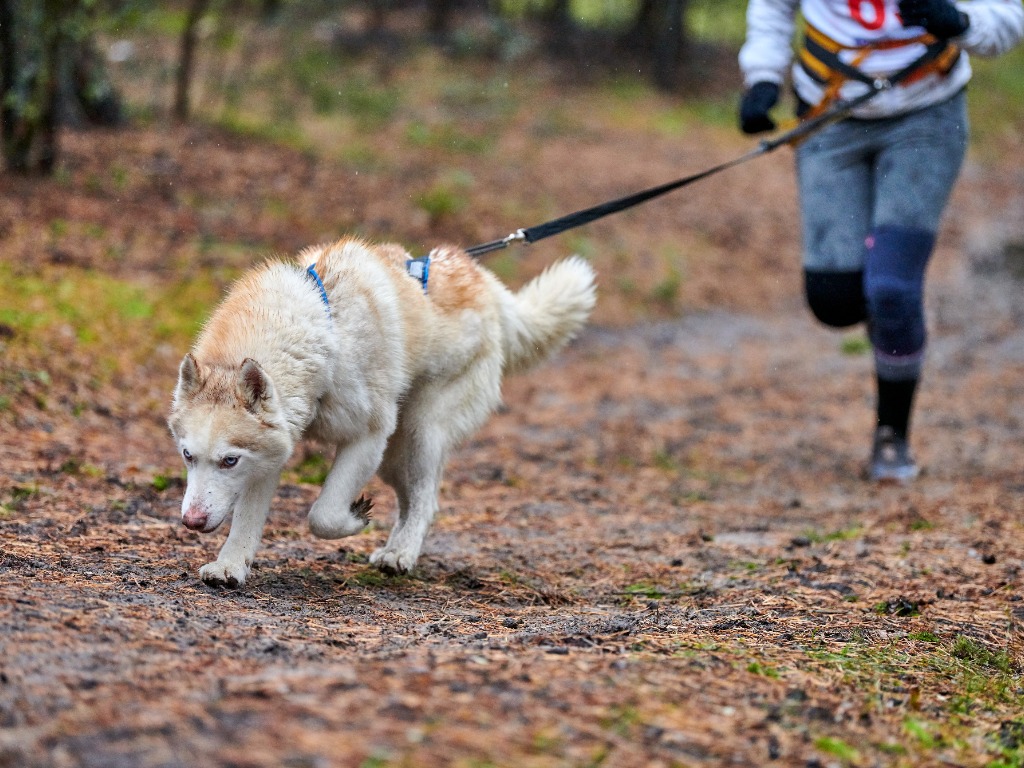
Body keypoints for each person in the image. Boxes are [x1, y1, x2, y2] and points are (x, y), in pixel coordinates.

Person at [737, 0, 1024, 481]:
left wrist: (963, 23)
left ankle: (892, 434)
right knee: (833, 302)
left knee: (891, 289)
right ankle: (894, 308)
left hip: (927, 116)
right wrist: (763, 77)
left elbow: (1010, 16)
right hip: (829, 115)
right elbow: (771, 9)